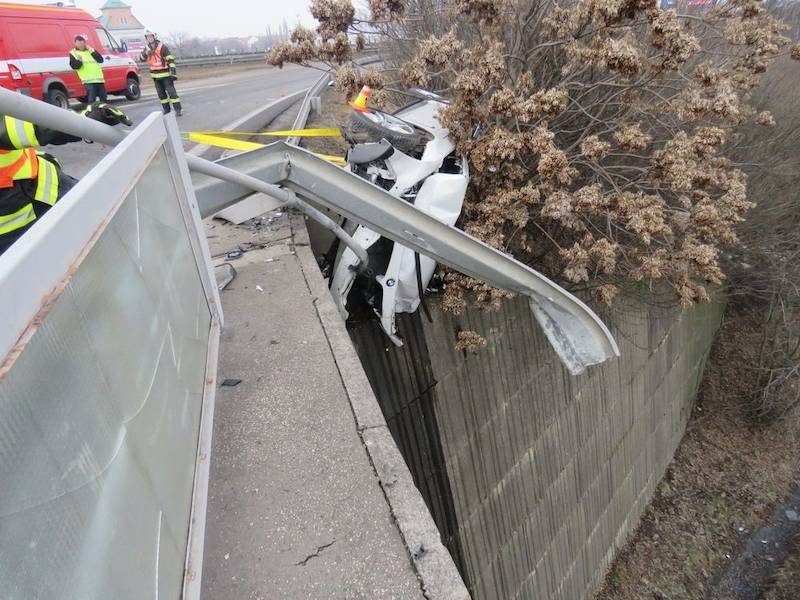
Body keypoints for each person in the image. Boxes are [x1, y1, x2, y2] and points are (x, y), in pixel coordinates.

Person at [0, 103, 132, 255]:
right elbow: (31, 125)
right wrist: (85, 117)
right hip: (27, 205)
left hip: (36, 189)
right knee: (102, 238)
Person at [139, 31, 182, 116]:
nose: (149, 38)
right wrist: (145, 54)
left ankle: (178, 110)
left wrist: (173, 73)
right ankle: (167, 110)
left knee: (172, 93)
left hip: (166, 75)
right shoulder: (146, 48)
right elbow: (141, 59)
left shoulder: (162, 47)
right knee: (161, 95)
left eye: (151, 36)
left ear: (154, 36)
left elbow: (170, 59)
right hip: (155, 77)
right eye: (147, 37)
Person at [69, 35, 107, 105]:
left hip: (99, 79)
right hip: (88, 81)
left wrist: (92, 51)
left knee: (104, 99)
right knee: (92, 100)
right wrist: (79, 61)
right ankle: (92, 114)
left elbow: (100, 60)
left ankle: (104, 113)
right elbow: (74, 66)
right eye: (79, 44)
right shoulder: (73, 53)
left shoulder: (91, 50)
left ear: (85, 43)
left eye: (82, 44)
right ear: (75, 44)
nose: (81, 46)